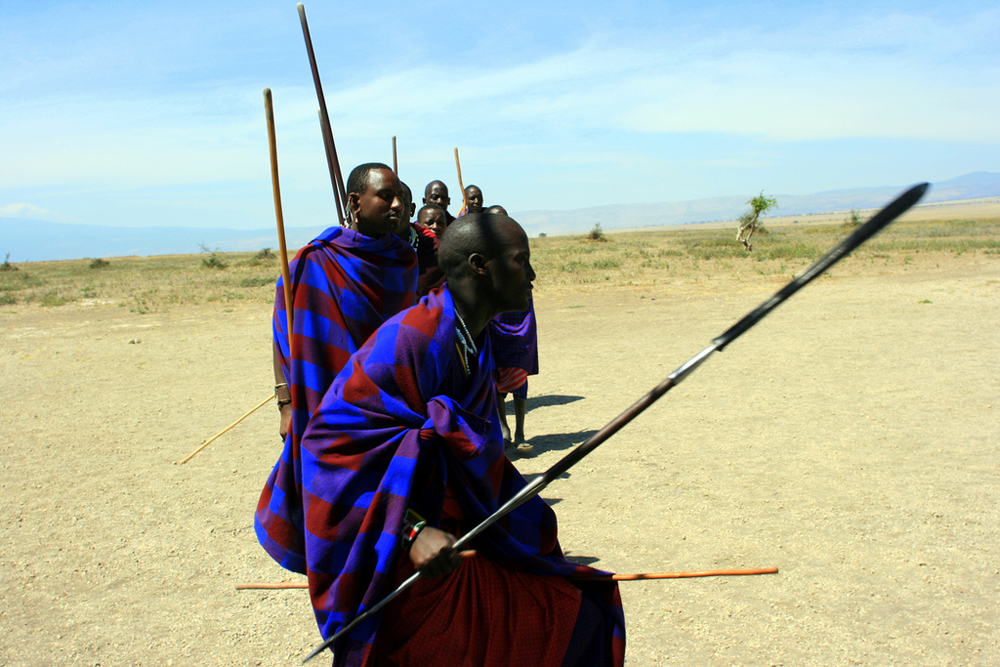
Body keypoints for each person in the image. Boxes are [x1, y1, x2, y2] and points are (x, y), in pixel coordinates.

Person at [295, 213, 625, 666]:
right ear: (480, 265)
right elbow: (326, 449)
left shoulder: (474, 337)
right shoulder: (413, 339)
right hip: (407, 560)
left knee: (580, 612)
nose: (531, 275)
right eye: (521, 261)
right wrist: (410, 531)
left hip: (457, 538)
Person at [259, 162, 418, 574]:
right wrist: (285, 403)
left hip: (387, 401)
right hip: (327, 399)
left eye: (400, 195)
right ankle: (332, 567)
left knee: (391, 489)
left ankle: (381, 566)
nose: (398, 204)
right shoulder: (315, 261)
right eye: (387, 195)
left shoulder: (404, 261)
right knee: (331, 487)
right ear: (354, 201)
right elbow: (284, 333)